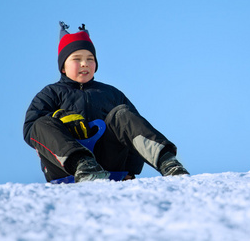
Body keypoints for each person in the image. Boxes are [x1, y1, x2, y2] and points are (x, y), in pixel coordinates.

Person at [23, 22, 189, 183]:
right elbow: (31, 128)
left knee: (122, 115)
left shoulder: (111, 93)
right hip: (65, 166)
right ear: (63, 67)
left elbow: (134, 130)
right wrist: (57, 119)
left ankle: (167, 162)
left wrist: (130, 169)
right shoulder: (50, 93)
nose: (84, 63)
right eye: (76, 59)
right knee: (39, 123)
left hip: (109, 162)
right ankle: (83, 165)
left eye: (90, 59)